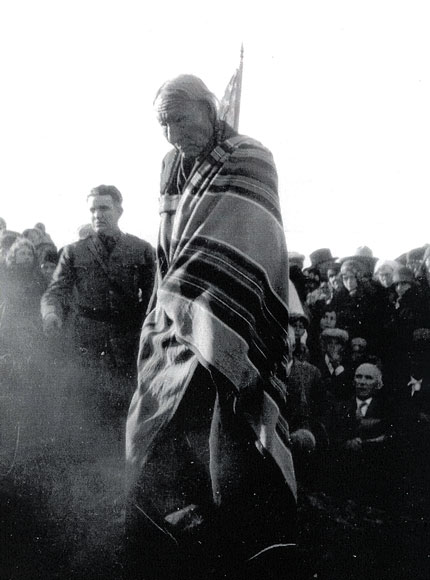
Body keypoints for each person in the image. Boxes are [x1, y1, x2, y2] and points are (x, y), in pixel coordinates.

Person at [125, 75, 297, 580]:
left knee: (227, 426)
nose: (174, 134)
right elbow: (169, 240)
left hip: (231, 311)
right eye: (164, 125)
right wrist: (169, 300)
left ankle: (244, 535)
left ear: (208, 107)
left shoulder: (251, 156)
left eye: (181, 119)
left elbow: (252, 238)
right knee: (159, 416)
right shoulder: (170, 165)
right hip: (173, 314)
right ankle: (168, 522)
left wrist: (201, 297)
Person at [41, 185, 155, 431]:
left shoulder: (142, 250)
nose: (97, 215)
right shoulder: (74, 252)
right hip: (88, 342)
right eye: (93, 209)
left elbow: (152, 298)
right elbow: (55, 291)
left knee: (128, 409)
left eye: (104, 208)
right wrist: (51, 313)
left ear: (119, 211)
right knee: (90, 410)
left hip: (128, 342)